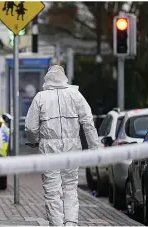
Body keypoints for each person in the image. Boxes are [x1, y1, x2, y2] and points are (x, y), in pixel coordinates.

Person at [25, 65, 100, 226]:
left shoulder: (40, 97)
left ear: (47, 78)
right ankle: (71, 223)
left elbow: (31, 127)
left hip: (49, 147)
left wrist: (33, 140)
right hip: (72, 146)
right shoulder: (75, 95)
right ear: (64, 77)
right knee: (70, 187)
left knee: (52, 190)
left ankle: (57, 224)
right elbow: (88, 122)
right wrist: (95, 148)